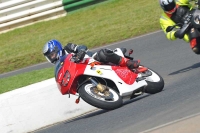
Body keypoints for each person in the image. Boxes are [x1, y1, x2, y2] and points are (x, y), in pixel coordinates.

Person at [42, 39, 140, 70]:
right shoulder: (61, 65)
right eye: (50, 56)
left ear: (57, 49)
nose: (52, 57)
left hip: (91, 60)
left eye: (52, 54)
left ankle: (128, 63)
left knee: (102, 54)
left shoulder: (68, 47)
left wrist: (80, 53)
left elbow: (81, 46)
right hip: (84, 70)